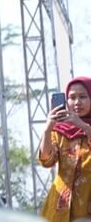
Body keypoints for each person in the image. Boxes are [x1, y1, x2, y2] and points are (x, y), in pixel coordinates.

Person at [39, 76, 91, 221]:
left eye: (83, 97)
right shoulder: (60, 131)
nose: (77, 102)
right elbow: (47, 161)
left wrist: (84, 127)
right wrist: (47, 130)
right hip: (59, 209)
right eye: (72, 97)